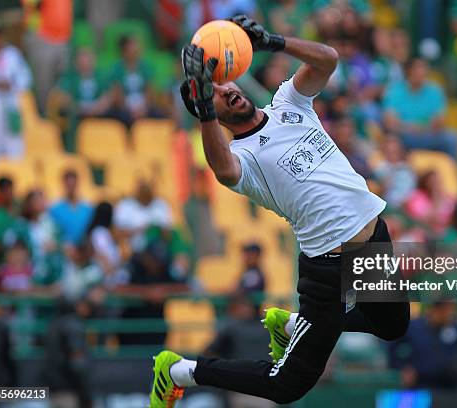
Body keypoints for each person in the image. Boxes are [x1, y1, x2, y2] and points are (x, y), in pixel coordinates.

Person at [149, 15, 409, 407]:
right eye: (214, 93)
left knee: (393, 326)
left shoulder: (289, 103)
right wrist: (203, 107)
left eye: (225, 83)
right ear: (212, 112)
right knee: (285, 386)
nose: (226, 92)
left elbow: (328, 60)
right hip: (328, 265)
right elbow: (222, 170)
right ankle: (179, 370)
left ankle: (291, 325)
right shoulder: (241, 155)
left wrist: (272, 41)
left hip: (372, 239)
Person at [382, 57, 457, 161]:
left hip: (428, 135)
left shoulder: (435, 91)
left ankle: (452, 172)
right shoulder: (394, 91)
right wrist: (409, 128)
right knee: (392, 139)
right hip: (405, 136)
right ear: (408, 71)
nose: (422, 72)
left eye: (424, 68)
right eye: (418, 68)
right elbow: (390, 122)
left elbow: (440, 122)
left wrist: (419, 128)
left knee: (452, 139)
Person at [388, 301, 457, 389]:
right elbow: (392, 345)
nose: (449, 315)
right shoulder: (414, 327)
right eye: (445, 311)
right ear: (435, 310)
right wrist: (402, 367)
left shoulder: (455, 327)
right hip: (419, 383)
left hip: (448, 384)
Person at [0, 17, 32, 167]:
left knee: (14, 143)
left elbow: (26, 78)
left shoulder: (13, 54)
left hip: (11, 103)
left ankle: (16, 173)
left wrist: (12, 84)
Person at [22, 0, 73, 112]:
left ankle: (60, 120)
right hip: (42, 36)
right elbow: (30, 4)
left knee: (63, 84)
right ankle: (44, 120)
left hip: (63, 38)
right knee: (44, 85)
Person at [86, 201, 129, 289]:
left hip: (110, 271)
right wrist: (111, 272)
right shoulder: (99, 232)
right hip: (105, 273)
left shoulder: (104, 232)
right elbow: (102, 255)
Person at [49, 169, 94, 247]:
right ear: (64, 184)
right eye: (69, 185)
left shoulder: (88, 208)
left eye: (73, 185)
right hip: (63, 250)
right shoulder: (54, 208)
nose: (71, 188)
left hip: (84, 250)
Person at [405, 170, 457, 235]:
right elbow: (422, 220)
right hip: (422, 233)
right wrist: (436, 201)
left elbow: (452, 220)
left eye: (438, 181)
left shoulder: (449, 199)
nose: (435, 184)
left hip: (443, 235)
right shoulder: (417, 197)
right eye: (432, 181)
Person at [373, 135, 417, 210]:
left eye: (394, 151)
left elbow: (413, 187)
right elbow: (380, 193)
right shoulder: (380, 168)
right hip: (390, 206)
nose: (392, 154)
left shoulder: (407, 168)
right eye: (388, 151)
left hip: (409, 204)